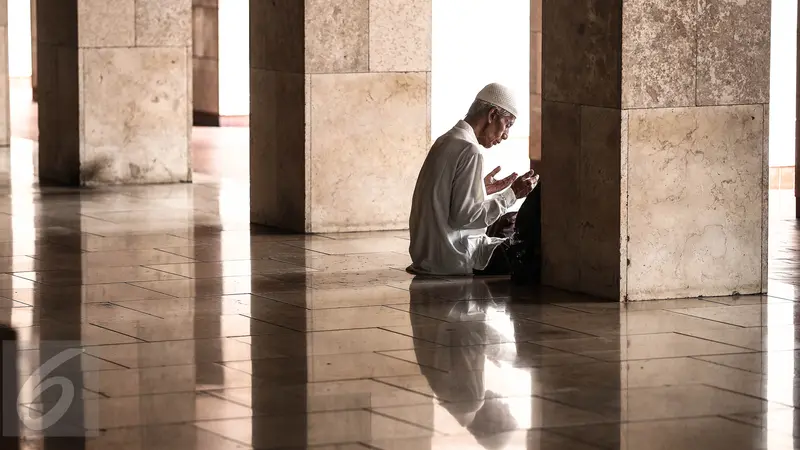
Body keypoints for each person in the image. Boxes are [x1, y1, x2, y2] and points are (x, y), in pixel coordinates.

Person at [408, 83, 540, 279]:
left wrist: (482, 189)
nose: (505, 135)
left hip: (427, 256)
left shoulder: (446, 140)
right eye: (507, 125)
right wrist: (512, 194)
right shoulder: (470, 150)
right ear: (492, 115)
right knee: (534, 239)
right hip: (455, 258)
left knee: (508, 222)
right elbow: (465, 217)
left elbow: (444, 199)